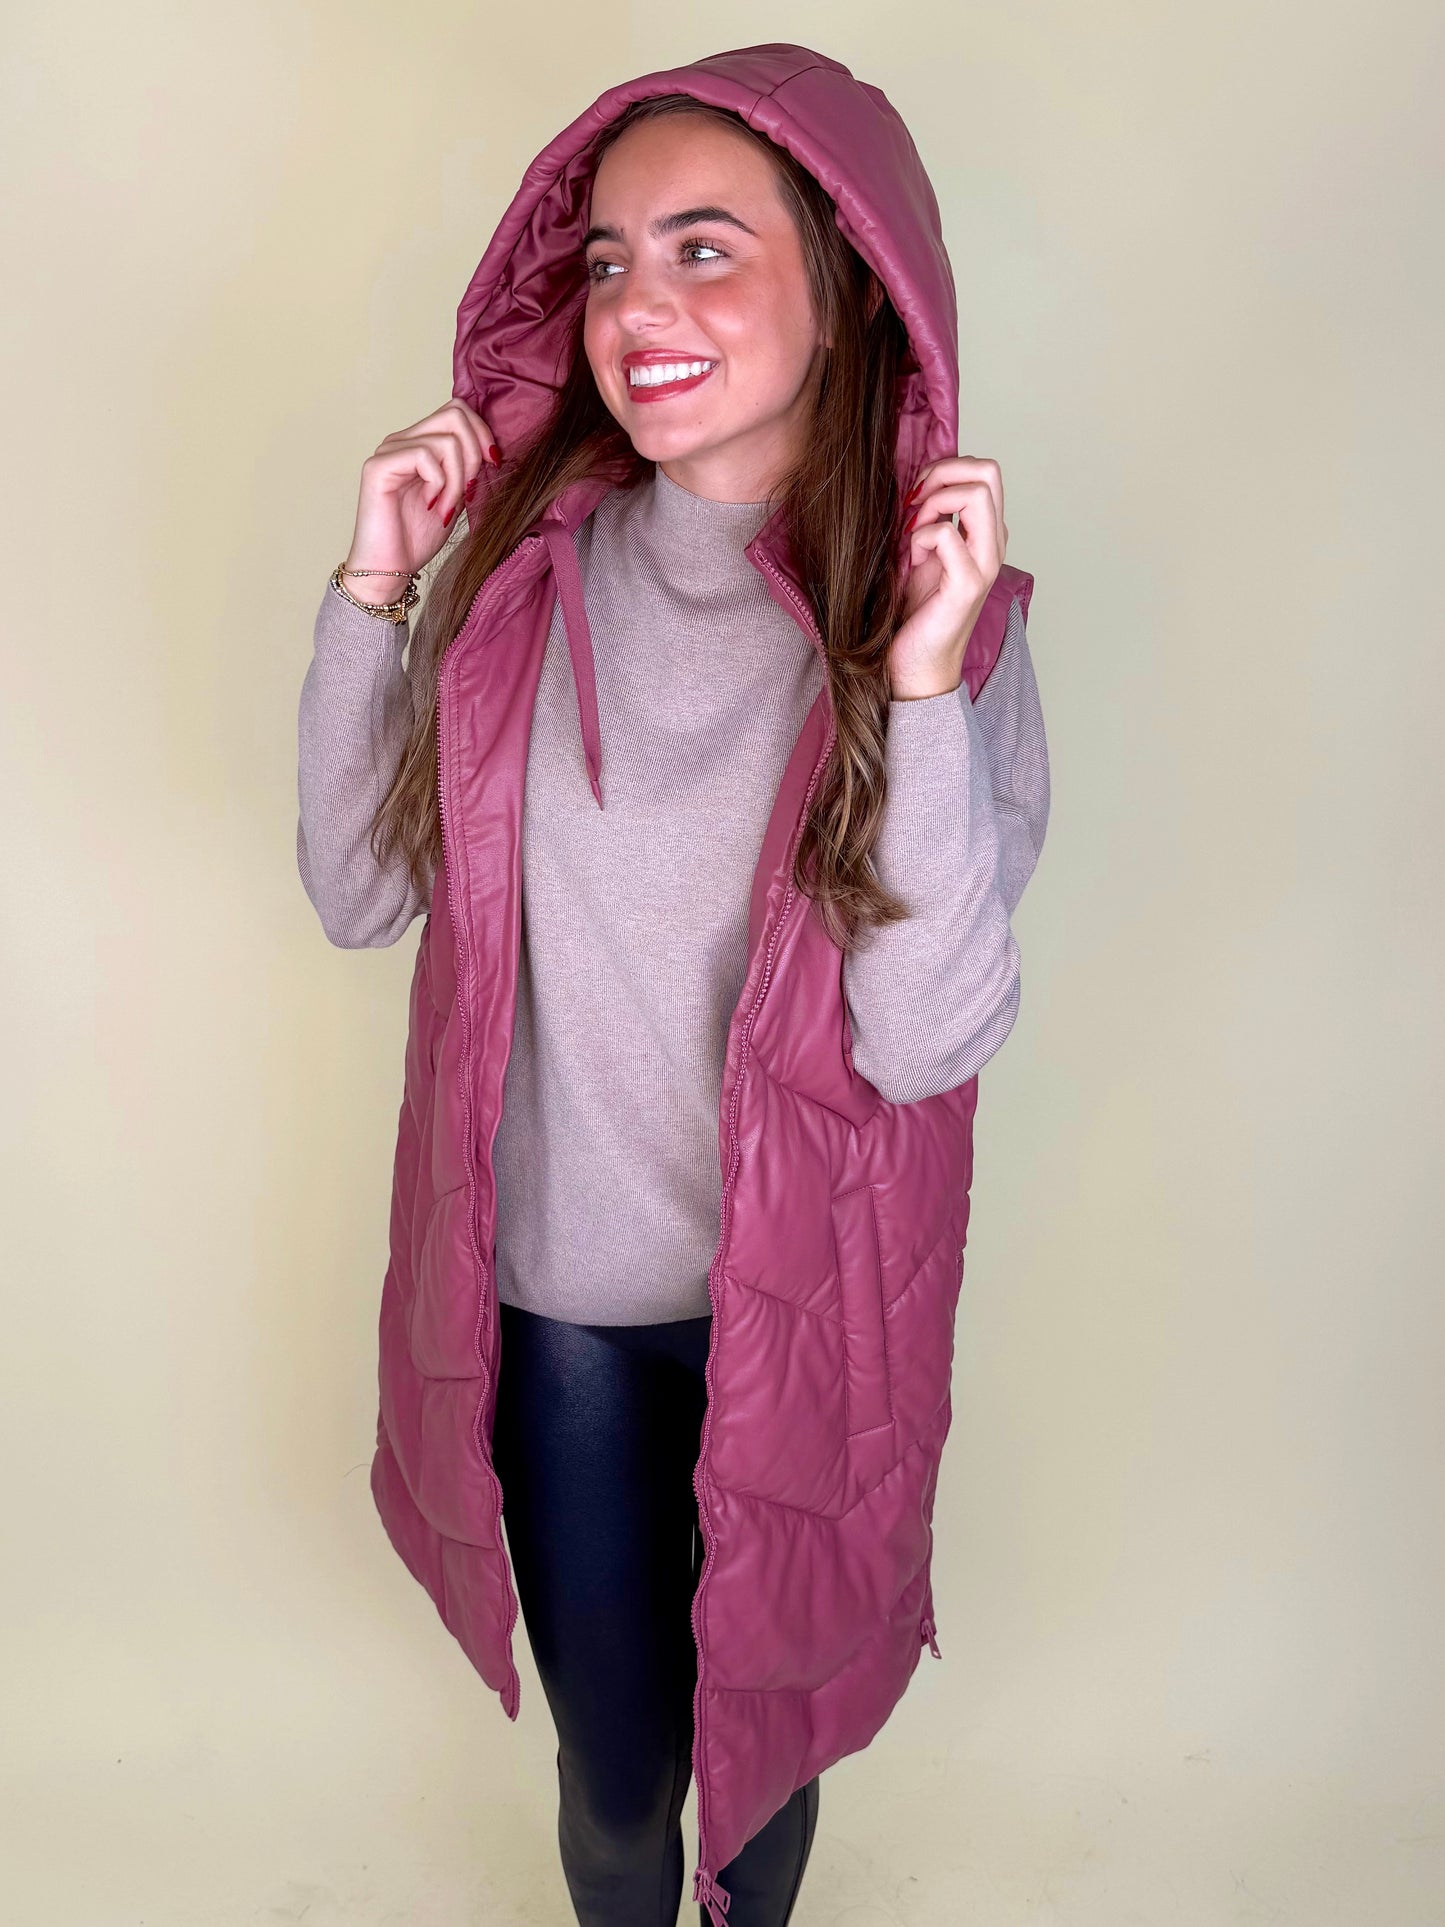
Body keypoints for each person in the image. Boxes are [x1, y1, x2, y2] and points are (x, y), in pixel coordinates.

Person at [296, 46, 1049, 1927]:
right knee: (620, 1783)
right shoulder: (516, 579)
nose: (640, 307)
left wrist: (922, 690)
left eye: (706, 249)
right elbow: (359, 891)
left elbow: (921, 1034)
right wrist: (376, 592)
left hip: (811, 1316)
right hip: (563, 1313)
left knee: (763, 1769)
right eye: (609, 261)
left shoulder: (943, 629)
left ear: (848, 285)